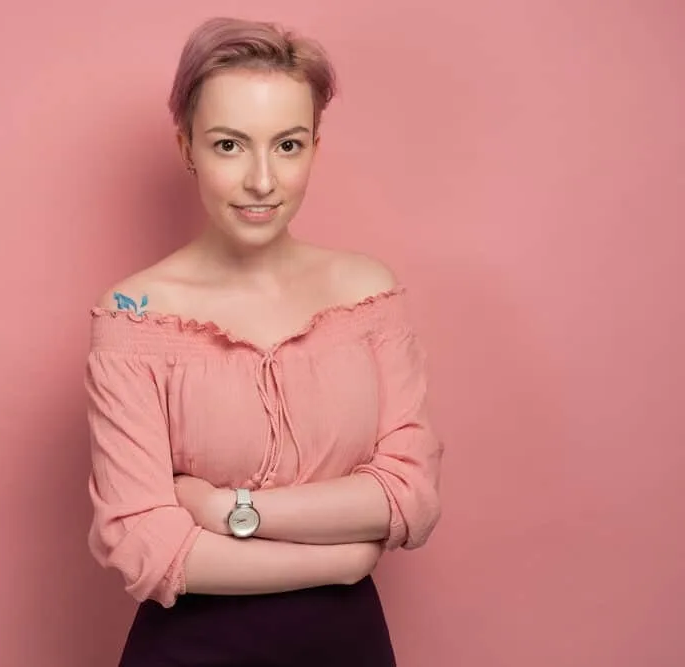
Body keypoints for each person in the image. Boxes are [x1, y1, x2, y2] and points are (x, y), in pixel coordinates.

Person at [84, 16, 444, 666]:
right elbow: (144, 542)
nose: (261, 180)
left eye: (287, 145)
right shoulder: (134, 314)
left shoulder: (367, 292)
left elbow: (409, 494)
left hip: (349, 650)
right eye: (229, 145)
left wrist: (228, 509)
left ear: (315, 146)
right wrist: (342, 558)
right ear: (186, 145)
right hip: (188, 649)